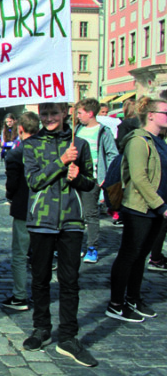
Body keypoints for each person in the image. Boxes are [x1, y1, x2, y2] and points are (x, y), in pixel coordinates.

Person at [22, 102, 97, 367]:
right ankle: (41, 329)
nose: (49, 118)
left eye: (54, 113)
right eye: (44, 113)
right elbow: (34, 181)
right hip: (41, 220)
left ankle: (67, 336)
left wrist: (77, 178)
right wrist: (61, 162)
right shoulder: (31, 144)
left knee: (69, 280)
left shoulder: (81, 144)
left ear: (65, 113)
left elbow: (90, 182)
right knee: (41, 279)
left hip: (71, 221)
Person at [106, 96, 167, 323]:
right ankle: (115, 304)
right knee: (128, 255)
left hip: (156, 208)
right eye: (165, 113)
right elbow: (140, 178)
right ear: (150, 115)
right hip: (139, 207)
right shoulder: (138, 141)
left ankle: (133, 298)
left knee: (141, 256)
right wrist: (160, 206)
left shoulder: (159, 140)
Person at [2, 111, 40, 311]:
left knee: (20, 253)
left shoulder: (16, 153)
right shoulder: (46, 149)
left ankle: (20, 295)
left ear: (21, 129)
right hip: (44, 208)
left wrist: (10, 195)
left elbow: (12, 184)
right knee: (40, 254)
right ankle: (40, 293)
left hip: (23, 208)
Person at [75, 98, 119, 264]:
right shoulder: (78, 129)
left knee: (91, 215)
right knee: (75, 214)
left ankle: (92, 247)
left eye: (80, 113)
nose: (78, 116)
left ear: (90, 113)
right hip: (75, 178)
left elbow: (112, 154)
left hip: (92, 179)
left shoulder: (103, 131)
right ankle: (76, 245)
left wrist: (106, 178)